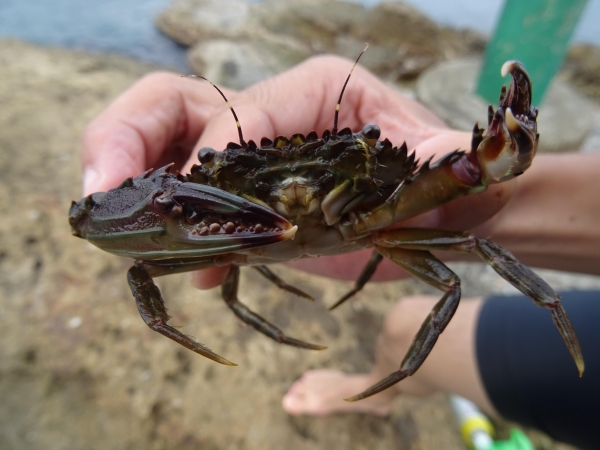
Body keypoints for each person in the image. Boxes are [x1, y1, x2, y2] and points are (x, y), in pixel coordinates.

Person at [81, 56, 600, 448]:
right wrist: (179, 207)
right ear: (213, 177)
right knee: (145, 274)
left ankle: (396, 379)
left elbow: (483, 172)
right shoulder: (210, 222)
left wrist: (481, 187)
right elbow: (93, 224)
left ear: (373, 147)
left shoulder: (386, 196)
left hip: (371, 225)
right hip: (259, 237)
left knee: (459, 270)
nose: (296, 193)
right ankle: (383, 381)